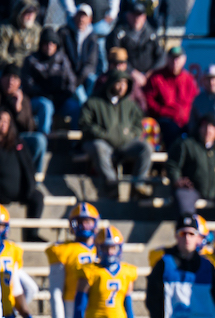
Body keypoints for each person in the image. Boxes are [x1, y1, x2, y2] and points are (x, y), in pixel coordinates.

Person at [79, 69, 151, 198]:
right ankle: (112, 184)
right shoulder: (94, 102)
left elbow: (139, 123)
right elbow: (85, 124)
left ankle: (138, 185)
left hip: (125, 143)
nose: (122, 87)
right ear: (111, 83)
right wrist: (103, 134)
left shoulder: (130, 105)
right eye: (119, 83)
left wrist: (131, 134)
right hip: (102, 142)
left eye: (125, 83)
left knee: (146, 147)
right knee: (98, 147)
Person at [167, 114, 215, 221]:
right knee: (182, 197)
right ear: (199, 128)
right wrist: (177, 180)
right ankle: (189, 229)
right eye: (205, 126)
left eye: (212, 127)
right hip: (192, 188)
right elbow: (173, 165)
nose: (208, 130)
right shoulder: (187, 145)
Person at [23, 28, 80, 131]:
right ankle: (45, 139)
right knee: (46, 106)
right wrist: (44, 93)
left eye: (52, 43)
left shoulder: (62, 59)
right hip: (39, 99)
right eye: (46, 43)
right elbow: (28, 85)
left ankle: (75, 142)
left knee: (75, 107)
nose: (49, 46)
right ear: (41, 44)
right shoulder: (31, 60)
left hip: (60, 99)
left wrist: (64, 94)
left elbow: (72, 81)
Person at [144, 45, 198, 149]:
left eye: (178, 59)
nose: (175, 62)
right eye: (172, 58)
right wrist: (164, 112)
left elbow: (196, 102)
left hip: (186, 122)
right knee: (172, 131)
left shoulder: (189, 80)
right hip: (164, 121)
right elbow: (148, 101)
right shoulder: (156, 78)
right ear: (167, 59)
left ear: (184, 60)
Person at [1, 63, 45, 173]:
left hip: (18, 139)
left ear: (19, 83)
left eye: (15, 78)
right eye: (8, 77)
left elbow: (30, 127)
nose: (10, 82)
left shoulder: (23, 99)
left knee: (39, 140)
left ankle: (31, 178)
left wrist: (18, 109)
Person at [107, 0, 162, 81]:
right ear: (128, 15)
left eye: (139, 15)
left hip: (148, 77)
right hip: (125, 77)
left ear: (144, 17)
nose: (137, 19)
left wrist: (150, 73)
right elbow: (115, 57)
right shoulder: (119, 33)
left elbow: (161, 56)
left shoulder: (152, 34)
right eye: (134, 15)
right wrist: (133, 73)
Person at [58, 4, 99, 101]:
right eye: (79, 15)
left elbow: (91, 63)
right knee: (80, 96)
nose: (81, 19)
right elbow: (62, 58)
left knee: (93, 80)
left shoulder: (92, 38)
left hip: (83, 77)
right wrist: (73, 79)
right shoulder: (64, 33)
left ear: (90, 19)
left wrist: (79, 80)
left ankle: (90, 104)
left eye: (84, 16)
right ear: (75, 16)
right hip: (67, 75)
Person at [0, 1, 41, 68]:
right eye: (27, 13)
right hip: (10, 68)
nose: (30, 16)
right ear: (19, 13)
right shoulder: (6, 29)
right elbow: (1, 54)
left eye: (32, 13)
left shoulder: (37, 30)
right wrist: (15, 64)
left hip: (30, 67)